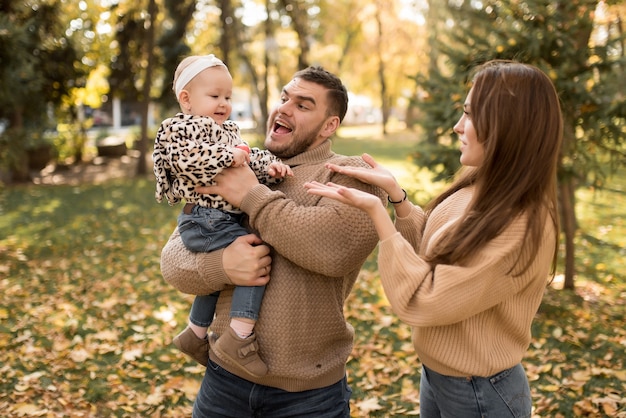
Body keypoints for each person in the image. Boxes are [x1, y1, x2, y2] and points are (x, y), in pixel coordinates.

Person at [304, 60, 562, 417]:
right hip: (441, 378)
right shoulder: (480, 183)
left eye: (470, 116)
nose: (457, 126)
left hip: (480, 394)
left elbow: (424, 301)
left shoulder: (520, 221)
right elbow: (436, 250)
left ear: (508, 126)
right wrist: (397, 197)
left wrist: (379, 217)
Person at [159, 65, 386, 417]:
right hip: (223, 382)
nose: (283, 108)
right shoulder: (236, 164)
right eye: (284, 98)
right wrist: (222, 265)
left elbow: (332, 251)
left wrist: (252, 195)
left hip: (308, 398)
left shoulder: (346, 174)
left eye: (303, 105)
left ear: (330, 125)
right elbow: (174, 260)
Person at [153, 54, 292, 377]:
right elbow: (188, 160)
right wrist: (232, 155)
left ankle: (195, 333)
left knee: (219, 279)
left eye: (227, 97)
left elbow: (248, 156)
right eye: (214, 96)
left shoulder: (225, 130)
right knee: (253, 256)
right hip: (203, 217)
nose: (223, 104)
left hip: (219, 218)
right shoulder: (178, 129)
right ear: (186, 99)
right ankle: (240, 338)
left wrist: (269, 165)